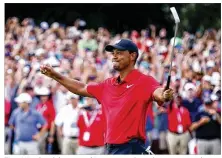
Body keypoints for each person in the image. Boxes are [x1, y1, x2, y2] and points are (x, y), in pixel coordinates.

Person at [40, 39, 174, 154]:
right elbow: (80, 88)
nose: (114, 56)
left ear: (132, 56)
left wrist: (164, 94)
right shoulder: (107, 85)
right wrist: (55, 75)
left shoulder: (144, 81)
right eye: (113, 53)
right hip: (112, 148)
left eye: (119, 53)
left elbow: (159, 93)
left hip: (132, 147)